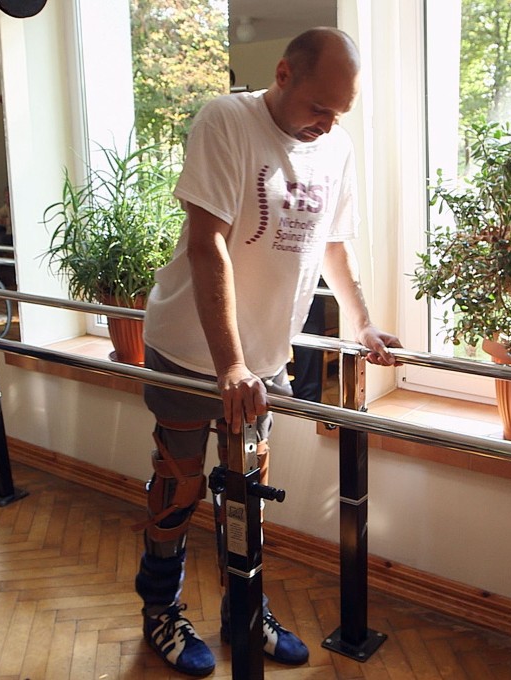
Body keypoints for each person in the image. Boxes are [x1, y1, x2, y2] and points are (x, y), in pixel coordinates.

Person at [135, 27, 401, 677]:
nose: (327, 124)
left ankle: (243, 609)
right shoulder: (228, 120)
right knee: (180, 485)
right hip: (193, 348)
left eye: (340, 113)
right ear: (283, 75)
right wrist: (230, 363)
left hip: (265, 357)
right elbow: (208, 243)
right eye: (319, 108)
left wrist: (363, 324)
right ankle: (160, 610)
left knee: (245, 490)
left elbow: (333, 246)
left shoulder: (334, 145)